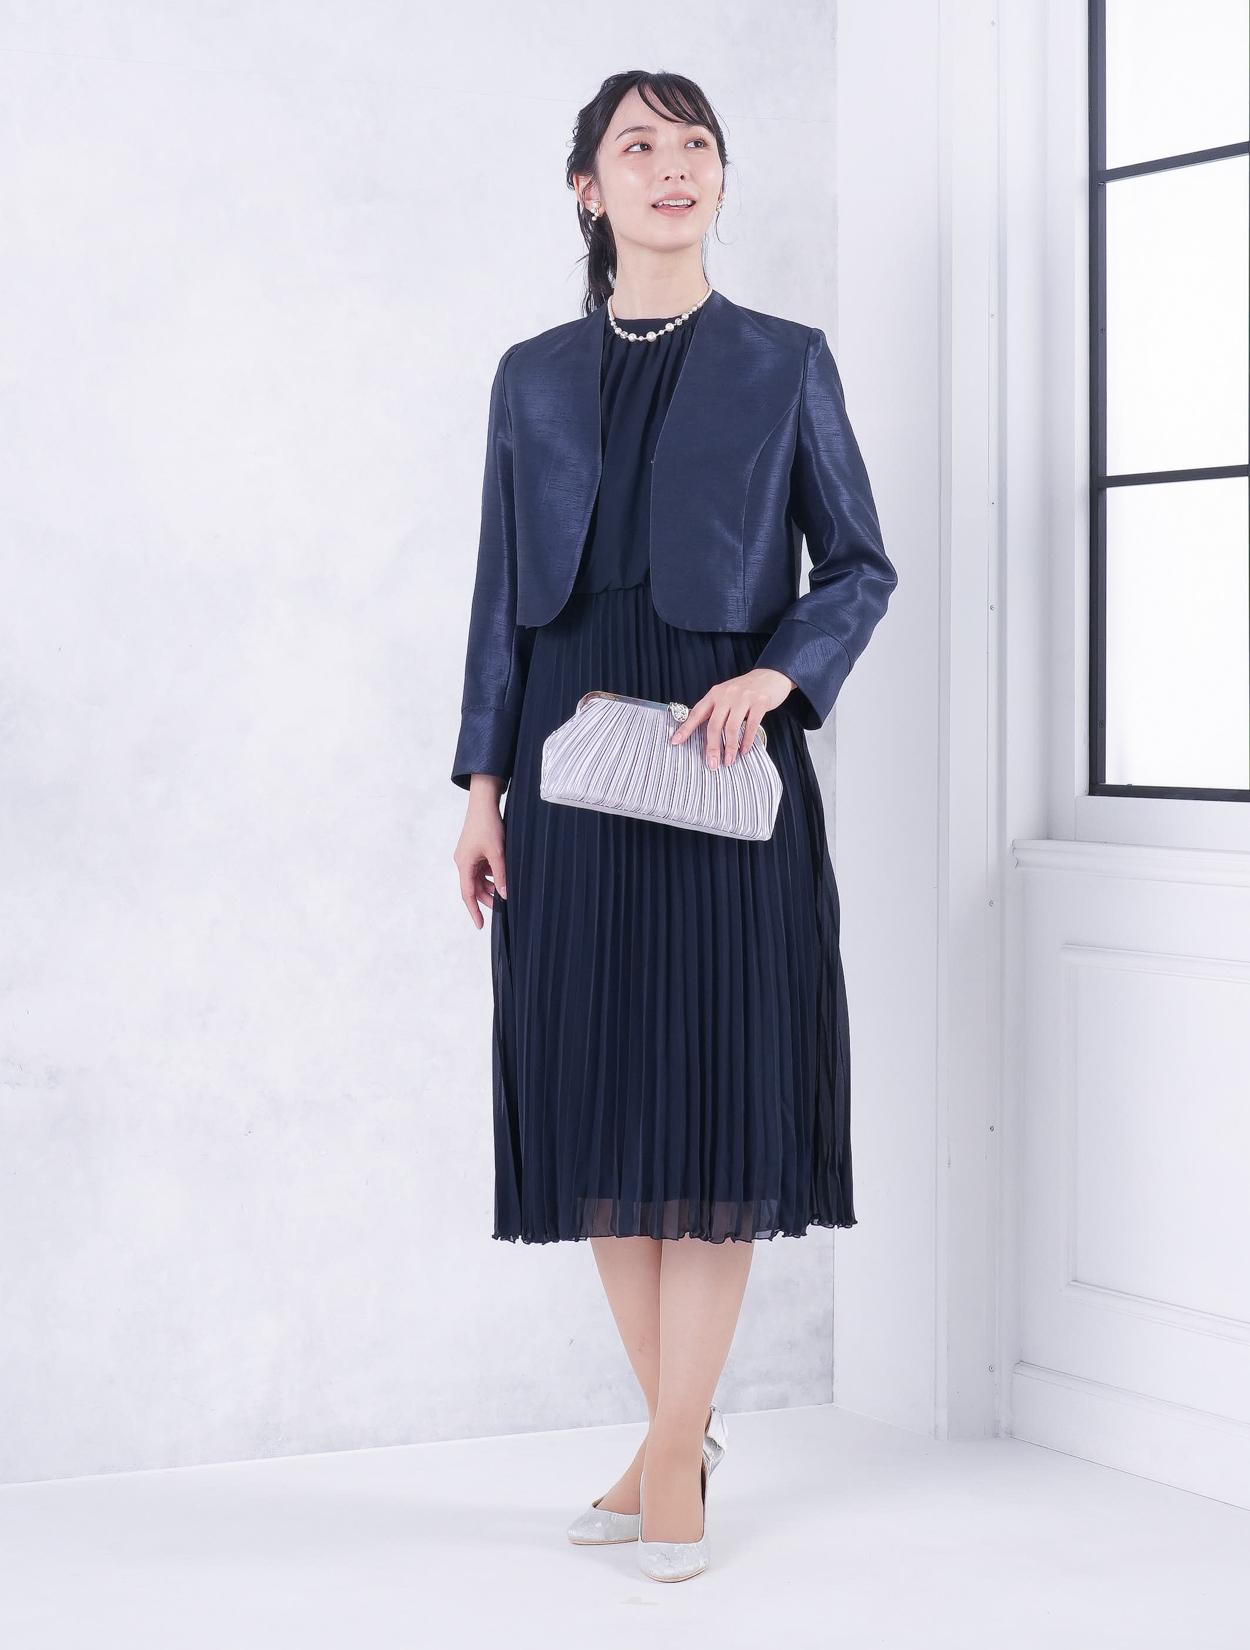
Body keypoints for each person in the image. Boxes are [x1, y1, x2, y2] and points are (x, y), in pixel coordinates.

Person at [450, 70, 897, 1582]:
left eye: (694, 144)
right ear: (588, 188)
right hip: (566, 759)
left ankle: (672, 1466)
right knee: (597, 1103)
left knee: (709, 1105)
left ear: (718, 180)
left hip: (721, 755)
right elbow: (499, 595)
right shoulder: (528, 377)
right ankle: (673, 1440)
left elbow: (858, 564)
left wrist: (781, 673)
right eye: (637, 145)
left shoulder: (785, 362)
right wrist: (481, 789)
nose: (672, 166)